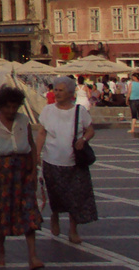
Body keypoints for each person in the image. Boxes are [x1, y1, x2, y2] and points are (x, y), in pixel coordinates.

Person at [0, 86, 44, 270]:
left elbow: (31, 145)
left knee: (29, 210)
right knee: (2, 211)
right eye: (7, 107)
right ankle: (0, 249)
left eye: (15, 107)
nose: (12, 111)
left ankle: (32, 256)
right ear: (0, 107)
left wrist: (34, 170)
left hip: (23, 170)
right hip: (2, 172)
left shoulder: (24, 120)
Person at [37, 75, 97, 244]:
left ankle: (73, 230)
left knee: (75, 197)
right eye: (55, 90)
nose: (57, 93)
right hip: (52, 159)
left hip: (74, 162)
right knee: (55, 194)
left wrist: (83, 140)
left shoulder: (79, 111)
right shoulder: (48, 110)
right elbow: (42, 133)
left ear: (70, 92)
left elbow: (90, 130)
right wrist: (37, 153)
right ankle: (55, 216)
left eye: (61, 90)